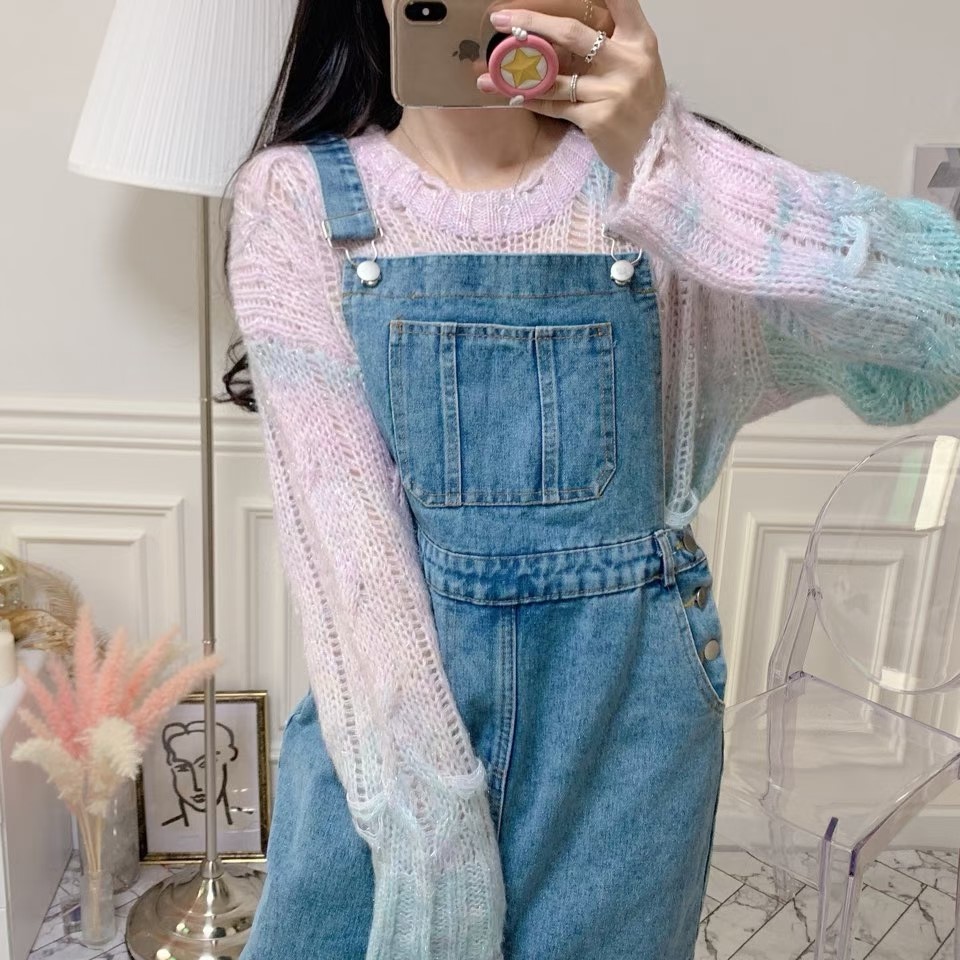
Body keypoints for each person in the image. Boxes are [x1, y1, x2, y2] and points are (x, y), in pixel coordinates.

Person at [220, 0, 960, 955]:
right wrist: (430, 838)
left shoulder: (661, 189)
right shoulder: (296, 202)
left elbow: (937, 328)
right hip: (393, 742)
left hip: (629, 748)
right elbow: (347, 550)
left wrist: (680, 165)